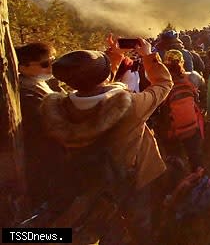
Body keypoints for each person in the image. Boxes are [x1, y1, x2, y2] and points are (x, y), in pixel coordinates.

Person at [40, 38, 173, 244]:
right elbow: (164, 84)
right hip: (132, 178)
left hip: (89, 178)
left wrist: (116, 56)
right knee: (139, 224)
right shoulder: (130, 106)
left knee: (101, 226)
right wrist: (148, 57)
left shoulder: (62, 110)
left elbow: (93, 87)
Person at [15, 42, 64, 208]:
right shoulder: (24, 93)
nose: (51, 68)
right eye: (45, 64)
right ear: (22, 66)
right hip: (41, 161)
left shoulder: (40, 83)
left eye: (52, 61)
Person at [159, 49, 206, 170]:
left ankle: (178, 178)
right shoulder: (192, 77)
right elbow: (202, 92)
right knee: (195, 156)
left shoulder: (161, 82)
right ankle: (200, 177)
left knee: (175, 157)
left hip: (173, 128)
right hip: (192, 125)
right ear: (182, 62)